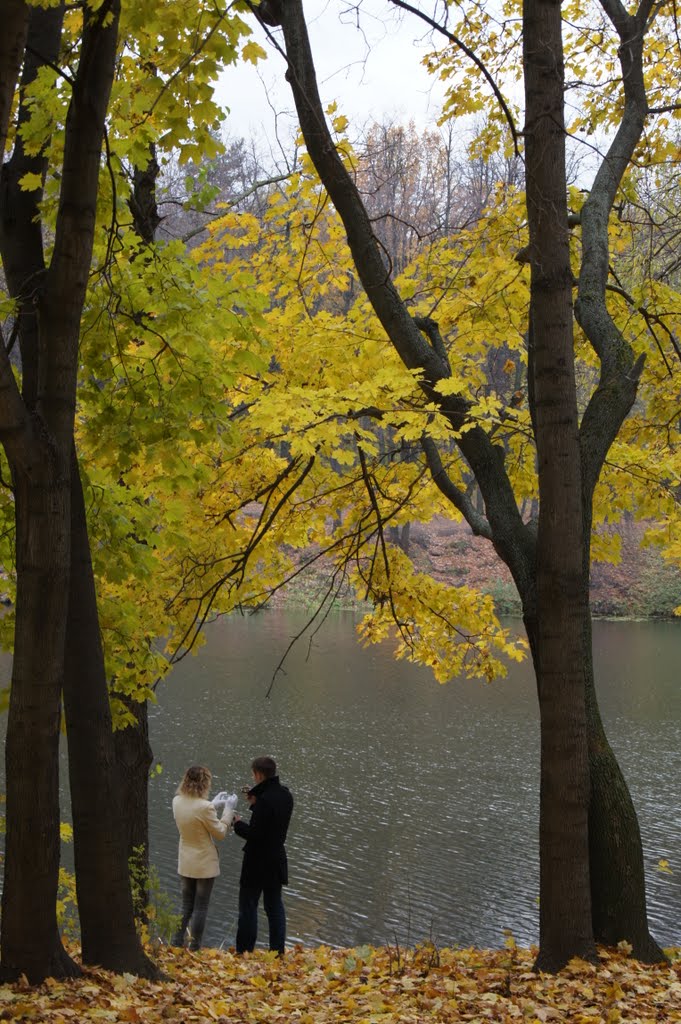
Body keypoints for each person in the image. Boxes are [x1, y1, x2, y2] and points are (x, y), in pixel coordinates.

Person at [233, 755, 294, 956]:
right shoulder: (285, 795)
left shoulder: (265, 800)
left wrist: (237, 823)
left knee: (248, 906)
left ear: (258, 774)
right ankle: (277, 951)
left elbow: (255, 834)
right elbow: (272, 823)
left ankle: (244, 950)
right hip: (276, 858)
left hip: (257, 861)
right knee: (274, 906)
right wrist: (255, 803)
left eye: (253, 774)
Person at [171, 764, 234, 951]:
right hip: (204, 864)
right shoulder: (204, 807)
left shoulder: (177, 801)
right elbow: (220, 833)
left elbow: (194, 813)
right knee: (200, 907)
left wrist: (212, 804)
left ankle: (175, 943)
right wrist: (228, 810)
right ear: (204, 783)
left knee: (186, 906)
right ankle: (195, 947)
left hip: (186, 860)